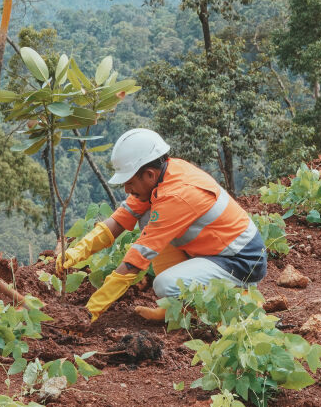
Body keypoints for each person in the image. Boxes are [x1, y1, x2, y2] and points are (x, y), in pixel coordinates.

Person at [61, 128, 267, 322]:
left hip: (242, 261)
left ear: (149, 174)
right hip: (214, 251)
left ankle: (238, 299)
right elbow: (121, 218)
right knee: (146, 216)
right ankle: (175, 308)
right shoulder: (162, 176)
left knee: (164, 285)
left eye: (130, 182)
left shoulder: (177, 196)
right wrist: (77, 252)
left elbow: (138, 258)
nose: (126, 189)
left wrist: (93, 308)